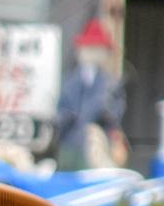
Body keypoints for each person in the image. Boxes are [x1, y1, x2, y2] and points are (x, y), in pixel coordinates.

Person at [50, 19, 126, 172]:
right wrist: (66, 119)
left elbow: (116, 114)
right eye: (89, 48)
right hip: (70, 143)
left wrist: (104, 110)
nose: (92, 53)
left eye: (96, 48)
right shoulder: (69, 80)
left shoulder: (110, 83)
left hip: (97, 145)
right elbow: (60, 110)